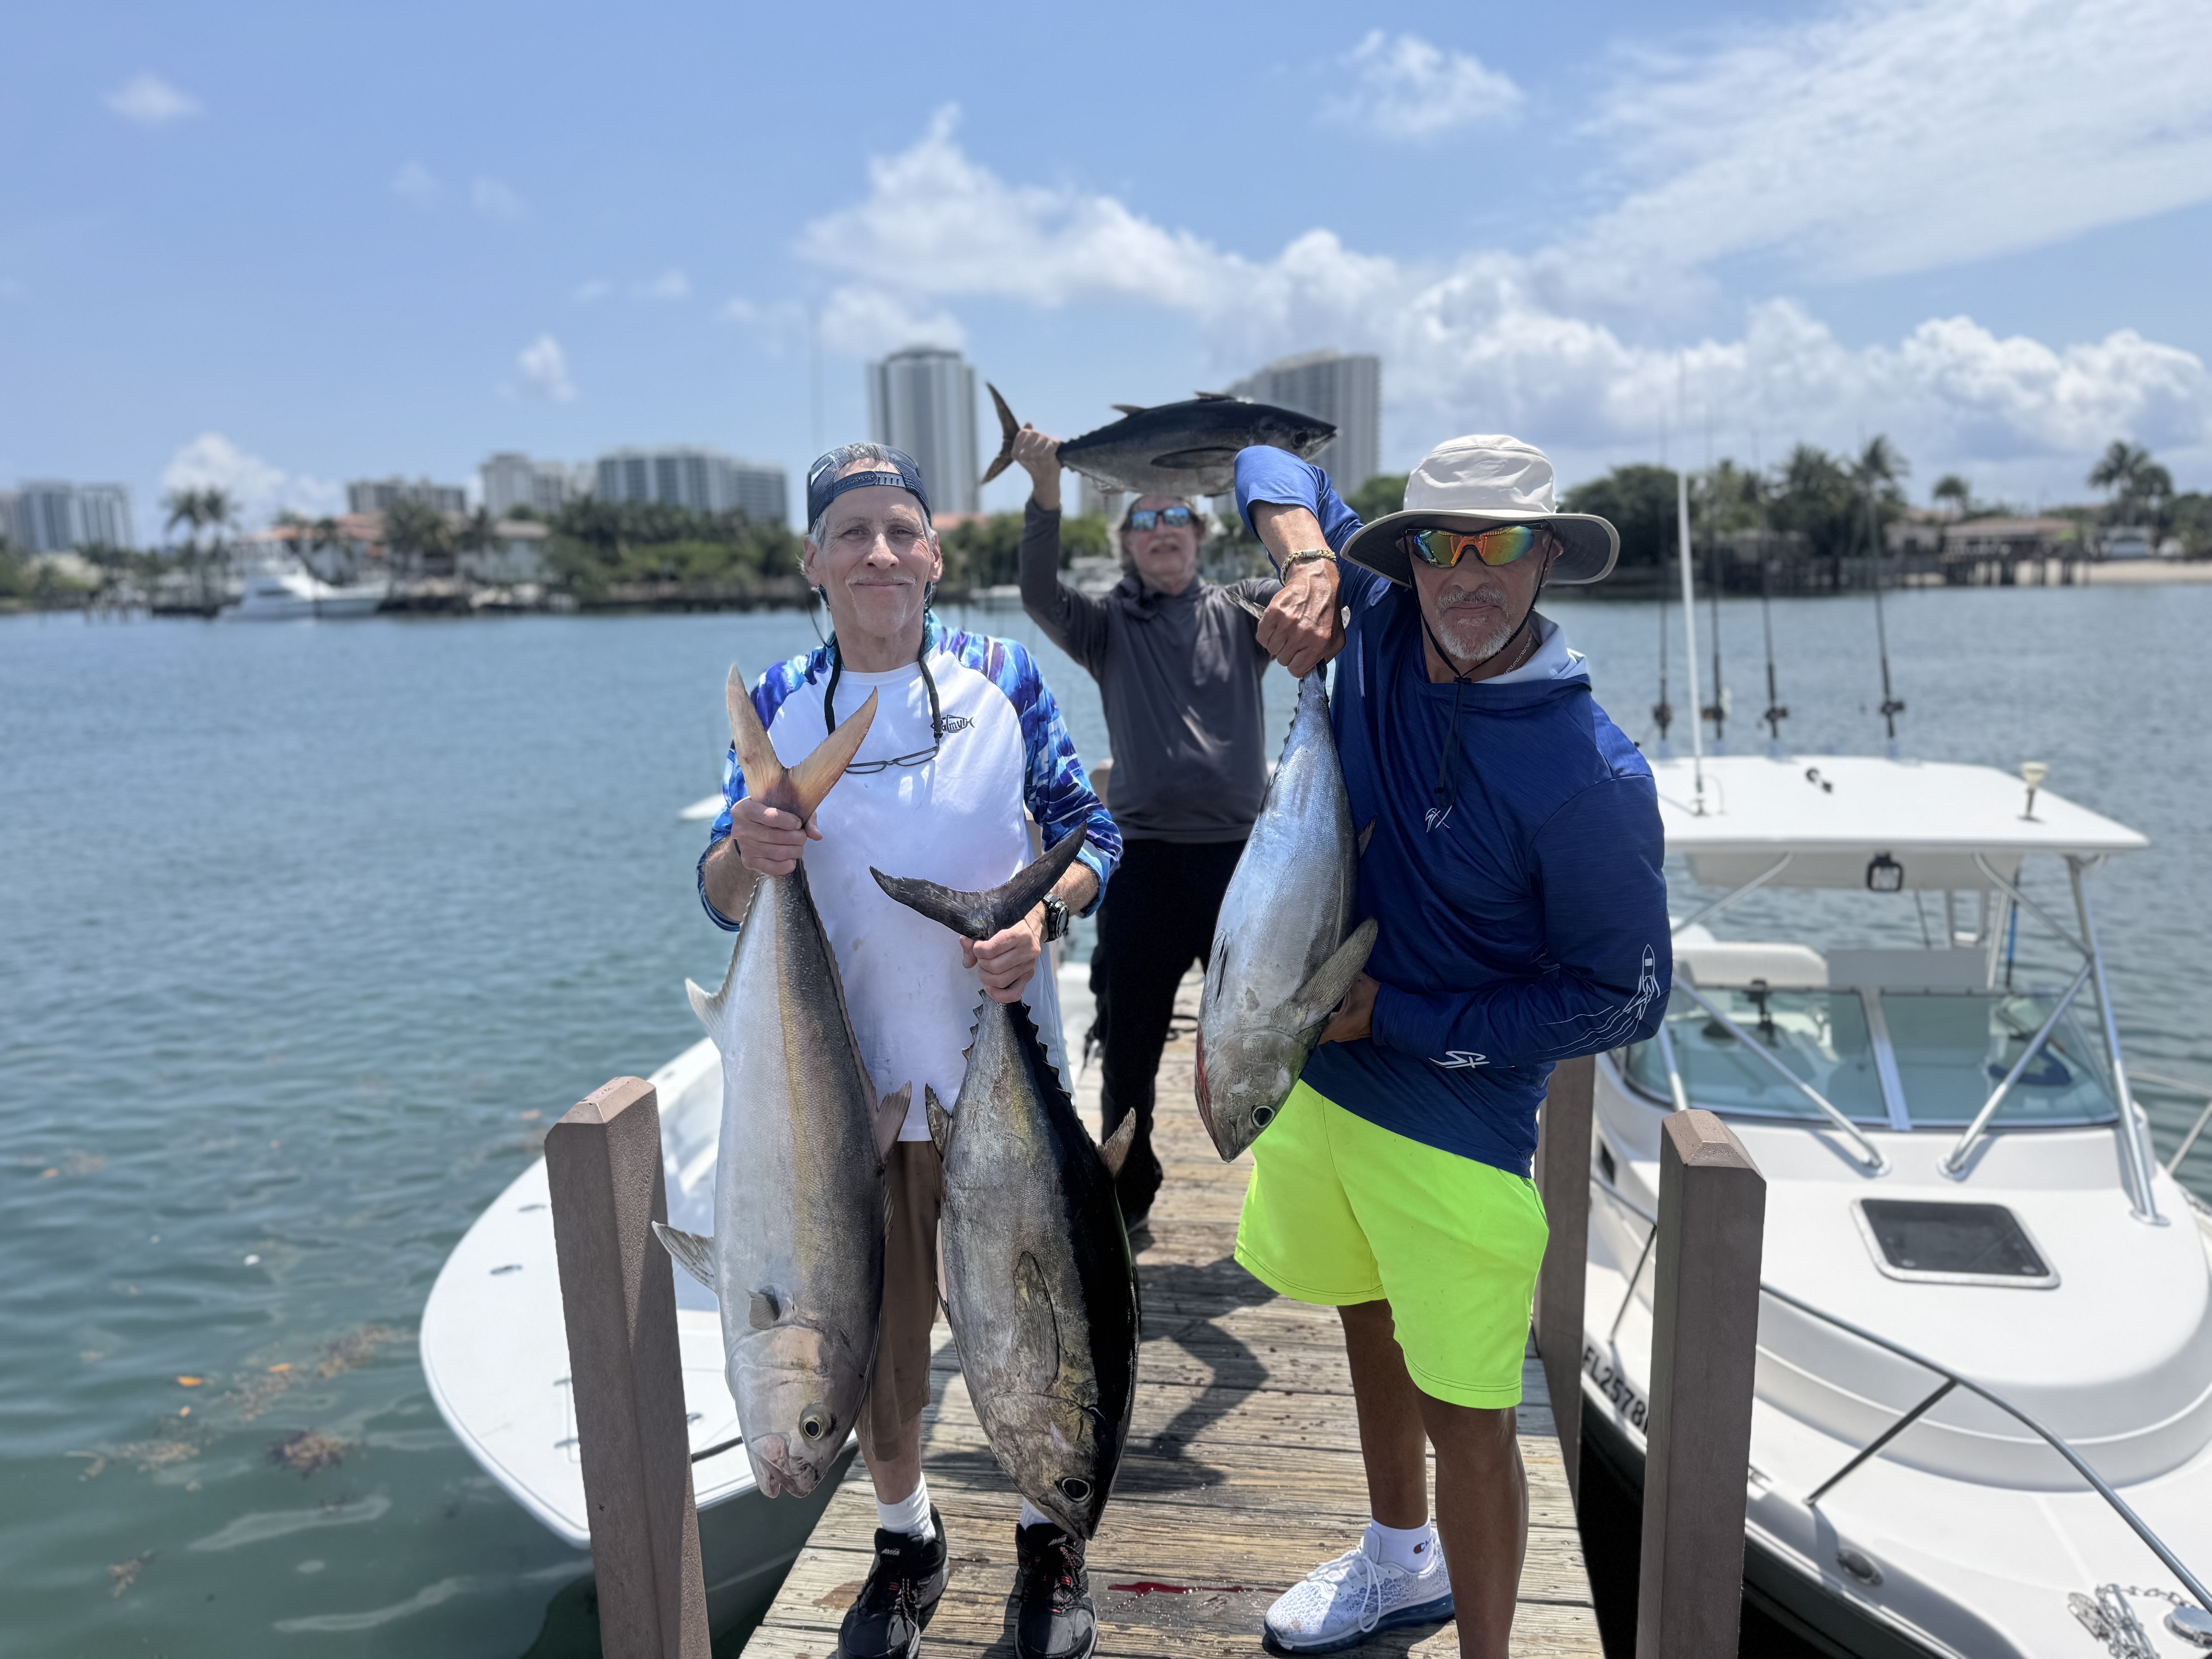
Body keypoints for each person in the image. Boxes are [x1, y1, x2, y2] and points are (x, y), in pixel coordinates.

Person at [1230, 434, 1670, 1658]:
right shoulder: (1370, 618)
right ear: (1408, 554)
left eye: (1503, 544)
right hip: (1325, 1081)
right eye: (1442, 543)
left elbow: (1623, 998)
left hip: (1455, 1124)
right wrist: (1312, 563)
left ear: (1548, 560)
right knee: (1363, 1314)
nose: (1469, 573)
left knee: (1470, 1409)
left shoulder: (1592, 777)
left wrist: (1406, 1019)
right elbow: (1266, 456)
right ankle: (1397, 1557)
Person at [697, 443, 1122, 1659]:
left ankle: (1051, 1534)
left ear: (936, 554)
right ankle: (905, 1535)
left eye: (901, 530)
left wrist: (1048, 912)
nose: (878, 552)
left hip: (999, 1075)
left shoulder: (1004, 674)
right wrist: (751, 847)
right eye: (852, 534)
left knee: (1036, 1318)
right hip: (847, 1094)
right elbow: (721, 897)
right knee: (874, 1344)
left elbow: (1095, 828)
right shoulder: (777, 698)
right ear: (813, 563)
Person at [1011, 426, 1338, 1226]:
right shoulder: (1106, 628)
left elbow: (1321, 607)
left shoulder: (1240, 610)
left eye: (1176, 519)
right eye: (1146, 522)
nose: (1163, 533)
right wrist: (1047, 492)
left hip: (1247, 866)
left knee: (1284, 1029)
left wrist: (1312, 563)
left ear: (1200, 535)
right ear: (1126, 543)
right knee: (1128, 1047)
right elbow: (1038, 594)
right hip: (1145, 865)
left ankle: (1304, 1196)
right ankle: (1127, 1195)